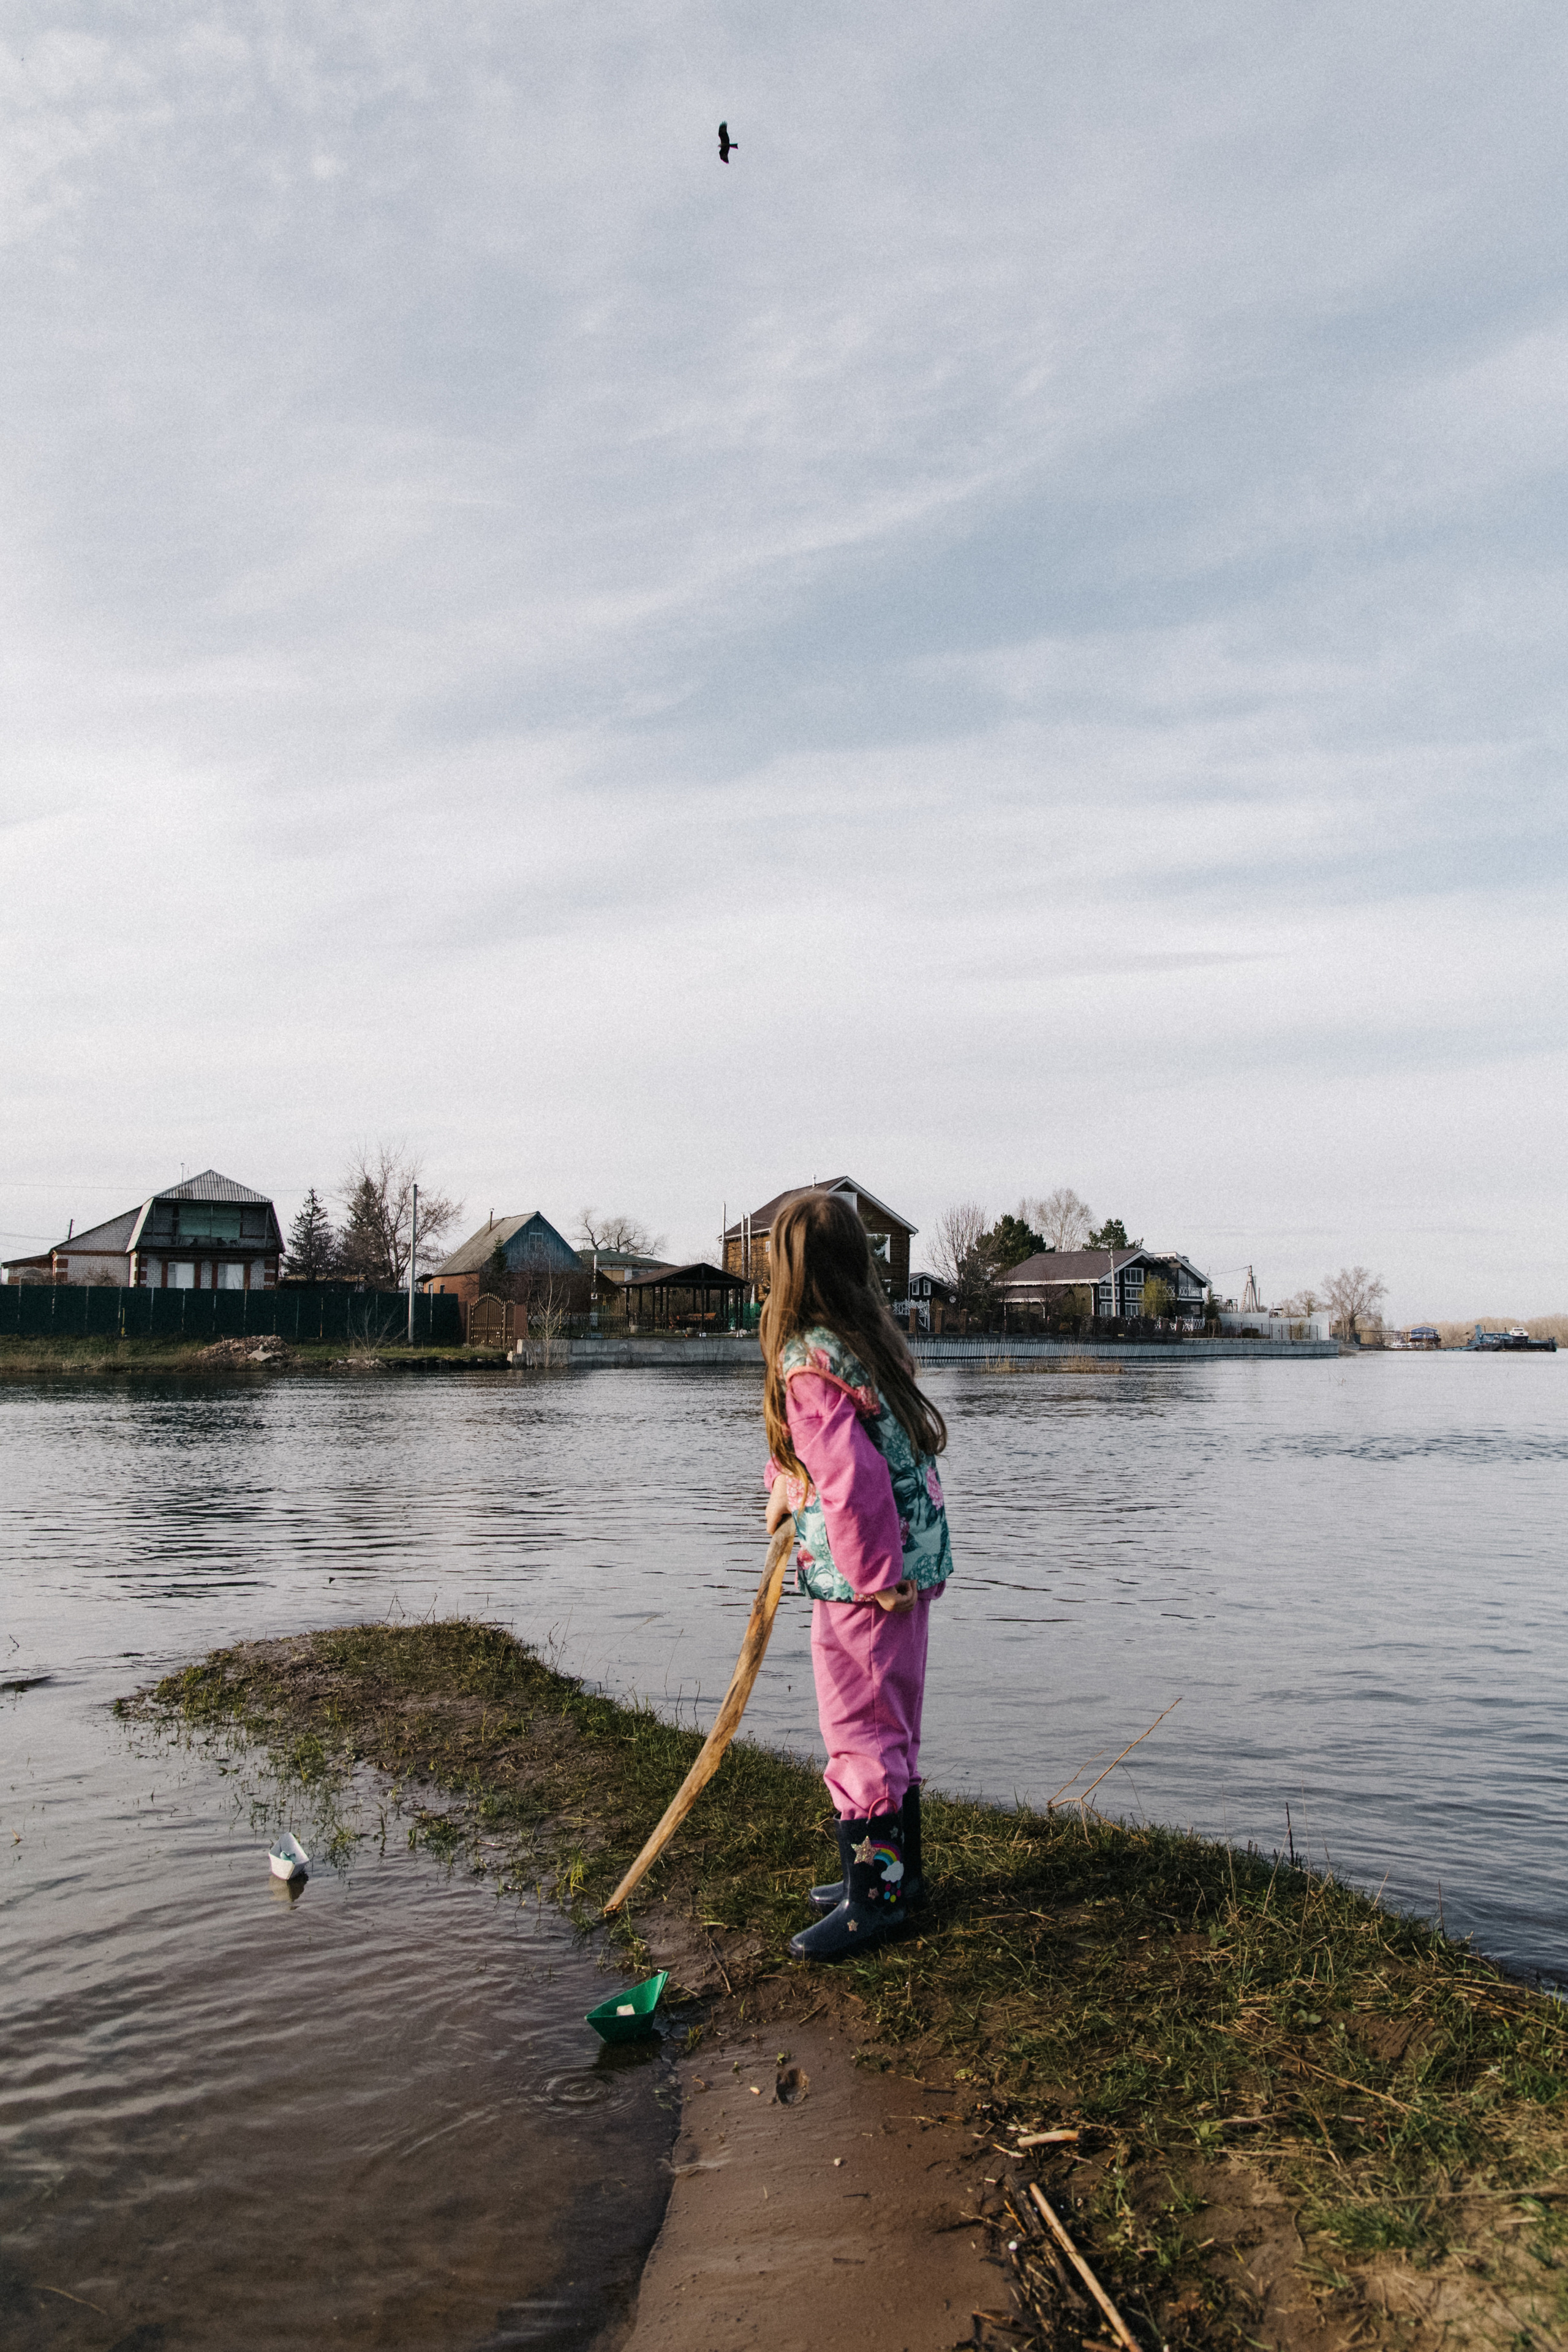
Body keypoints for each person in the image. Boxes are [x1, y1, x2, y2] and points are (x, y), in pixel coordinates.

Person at [760, 1190, 953, 1961]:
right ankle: (891, 1880)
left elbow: (850, 1477)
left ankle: (875, 1904)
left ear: (786, 1271)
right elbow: (824, 1457)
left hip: (867, 1582)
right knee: (891, 1721)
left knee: (858, 1730)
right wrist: (781, 1492)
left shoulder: (806, 1358)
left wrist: (871, 1576)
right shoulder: (866, 1339)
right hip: (912, 1561)